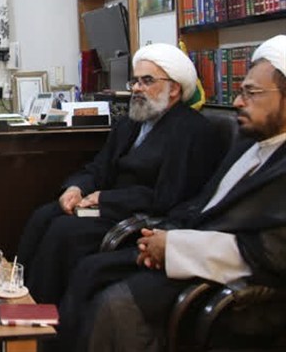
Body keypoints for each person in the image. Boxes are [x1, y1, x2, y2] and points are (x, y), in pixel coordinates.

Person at [57, 34, 286, 352]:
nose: (237, 102)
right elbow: (203, 204)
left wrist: (174, 246)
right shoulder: (251, 144)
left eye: (252, 93)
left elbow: (271, 252)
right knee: (89, 269)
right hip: (189, 245)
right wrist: (163, 236)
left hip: (234, 286)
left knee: (116, 305)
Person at [16, 43, 224, 305]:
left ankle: (42, 315)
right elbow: (99, 167)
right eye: (135, 81)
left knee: (64, 231)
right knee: (43, 216)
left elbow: (169, 197)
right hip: (105, 208)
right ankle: (16, 298)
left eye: (147, 81)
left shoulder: (191, 131)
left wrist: (104, 199)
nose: (136, 88)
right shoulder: (130, 122)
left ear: (174, 89)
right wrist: (77, 188)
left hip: (138, 218)